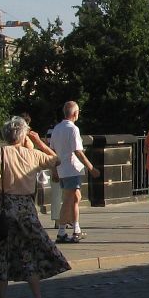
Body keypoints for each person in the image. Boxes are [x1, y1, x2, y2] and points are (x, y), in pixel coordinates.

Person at [0, 116, 70, 298]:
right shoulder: (32, 154)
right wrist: (39, 141)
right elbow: (56, 160)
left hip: (5, 208)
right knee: (27, 256)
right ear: (22, 135)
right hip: (27, 209)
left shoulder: (1, 152)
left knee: (0, 258)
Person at [50, 101, 100, 244]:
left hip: (62, 169)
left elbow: (52, 151)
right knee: (68, 200)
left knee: (75, 198)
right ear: (75, 113)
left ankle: (76, 228)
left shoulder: (57, 128)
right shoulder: (73, 129)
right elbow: (78, 151)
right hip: (72, 168)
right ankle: (61, 231)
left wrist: (54, 170)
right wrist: (91, 167)